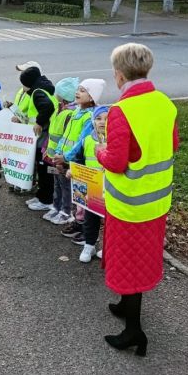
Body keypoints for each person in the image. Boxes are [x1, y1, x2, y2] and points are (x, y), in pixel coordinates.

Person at [95, 43, 179, 356]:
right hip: (157, 202)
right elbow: (173, 144)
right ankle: (125, 305)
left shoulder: (122, 111)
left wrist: (98, 150)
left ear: (119, 76)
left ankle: (134, 331)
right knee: (139, 261)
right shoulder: (165, 104)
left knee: (128, 263)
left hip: (129, 205)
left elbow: (116, 162)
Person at [55, 78, 106, 241]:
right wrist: (59, 152)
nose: (77, 92)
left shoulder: (91, 116)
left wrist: (66, 157)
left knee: (86, 197)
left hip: (81, 161)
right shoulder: (76, 111)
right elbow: (67, 135)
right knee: (79, 196)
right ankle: (79, 222)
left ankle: (88, 230)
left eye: (83, 90)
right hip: (70, 159)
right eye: (78, 89)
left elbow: (80, 142)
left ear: (92, 97)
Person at [65, 105, 109, 262]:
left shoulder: (115, 141)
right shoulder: (87, 140)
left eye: (106, 118)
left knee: (110, 220)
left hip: (110, 188)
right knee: (91, 218)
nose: (102, 122)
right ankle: (89, 245)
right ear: (93, 121)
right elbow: (78, 160)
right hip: (91, 187)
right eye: (98, 118)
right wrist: (72, 171)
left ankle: (107, 248)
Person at [15, 66, 57, 212]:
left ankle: (47, 200)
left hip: (44, 136)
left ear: (29, 83)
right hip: (43, 136)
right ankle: (41, 195)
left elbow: (48, 107)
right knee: (42, 168)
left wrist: (39, 122)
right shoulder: (41, 90)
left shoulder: (37, 93)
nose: (23, 88)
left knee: (44, 169)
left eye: (24, 84)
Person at [40, 77, 79, 225]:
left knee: (65, 184)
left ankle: (66, 211)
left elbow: (65, 137)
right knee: (57, 182)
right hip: (52, 155)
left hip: (62, 158)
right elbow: (52, 133)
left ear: (64, 96)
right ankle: (56, 206)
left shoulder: (69, 113)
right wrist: (46, 149)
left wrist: (61, 158)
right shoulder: (59, 109)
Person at [4, 61, 42, 193]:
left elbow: (32, 114)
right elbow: (21, 108)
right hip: (21, 131)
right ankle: (21, 183)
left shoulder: (35, 92)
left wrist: (20, 118)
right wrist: (12, 106)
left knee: (30, 161)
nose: (21, 75)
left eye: (24, 72)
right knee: (22, 158)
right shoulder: (23, 89)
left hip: (31, 132)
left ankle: (29, 185)